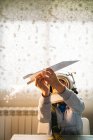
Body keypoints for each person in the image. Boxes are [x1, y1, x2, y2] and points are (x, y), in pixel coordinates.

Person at [34, 68, 85, 135]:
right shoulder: (49, 104)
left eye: (62, 83)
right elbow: (43, 119)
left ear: (69, 85)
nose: (56, 88)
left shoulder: (76, 100)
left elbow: (79, 107)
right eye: (54, 86)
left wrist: (57, 84)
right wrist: (45, 92)